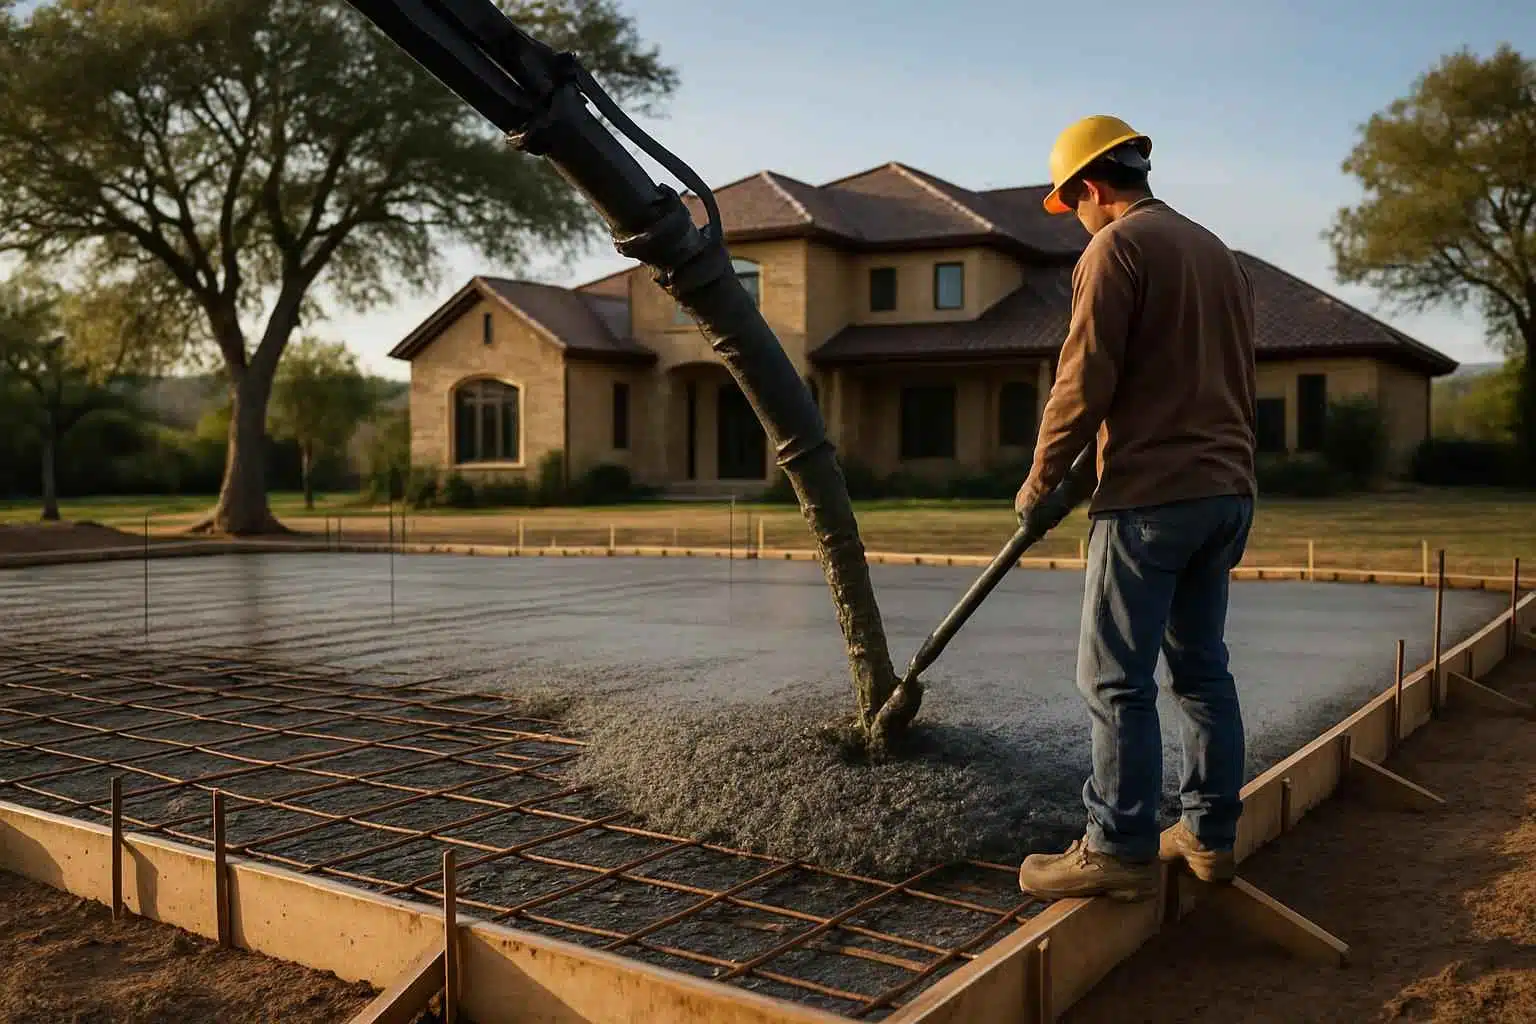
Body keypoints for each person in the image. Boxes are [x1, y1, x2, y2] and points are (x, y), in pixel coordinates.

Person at [1013, 115, 1259, 902]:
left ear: (1090, 187)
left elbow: (1084, 378)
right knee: (1200, 671)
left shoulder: (1115, 249)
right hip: (1224, 491)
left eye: (1071, 203)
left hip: (1152, 499)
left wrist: (1041, 478)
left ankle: (1117, 846)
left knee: (1114, 679)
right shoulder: (1214, 252)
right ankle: (1208, 834)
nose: (1076, 220)